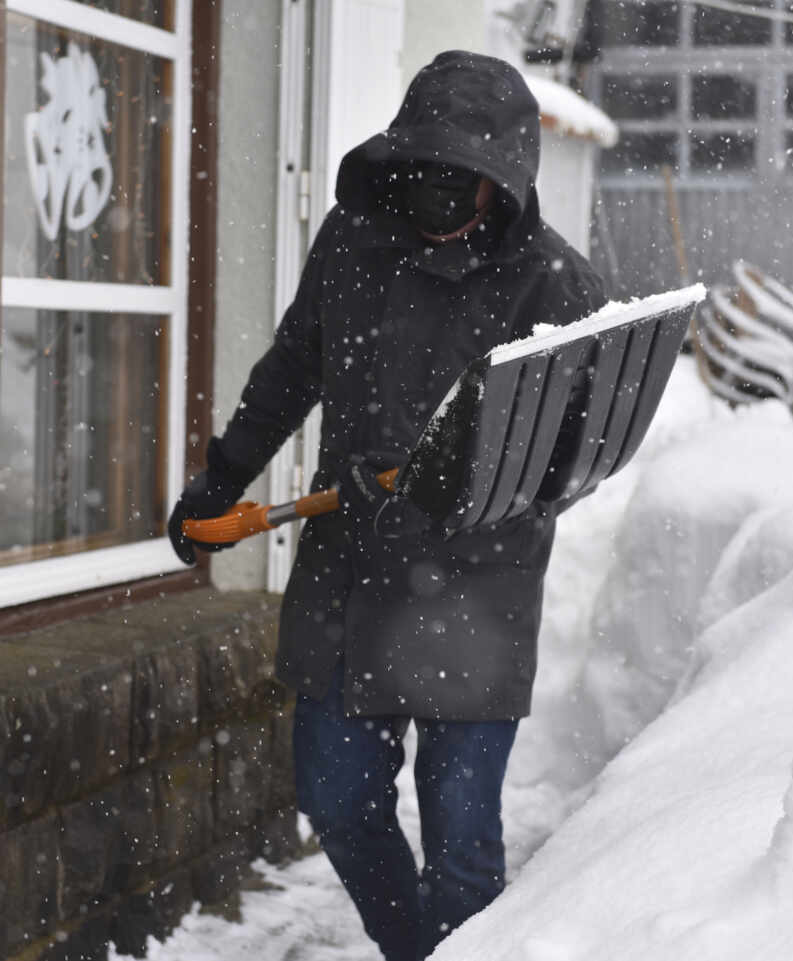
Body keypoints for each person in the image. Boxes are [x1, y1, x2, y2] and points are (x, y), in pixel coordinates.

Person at [168, 51, 607, 961]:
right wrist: (221, 480)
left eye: (464, 185)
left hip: (477, 595)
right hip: (349, 577)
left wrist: (457, 482)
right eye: (425, 177)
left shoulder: (556, 287)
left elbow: (583, 456)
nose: (440, 202)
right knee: (335, 799)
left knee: (462, 850)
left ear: (504, 184)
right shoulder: (354, 240)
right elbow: (292, 369)